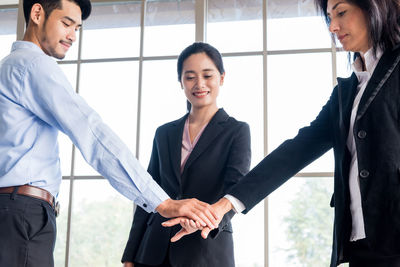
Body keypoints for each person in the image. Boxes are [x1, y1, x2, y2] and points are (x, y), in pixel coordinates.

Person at [164, 0, 400, 266]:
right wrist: (222, 207)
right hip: (361, 243)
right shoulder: (348, 92)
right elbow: (295, 152)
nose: (333, 26)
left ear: (373, 8)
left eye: (342, 12)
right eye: (329, 17)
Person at [0, 0, 218, 266]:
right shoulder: (33, 66)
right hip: (22, 214)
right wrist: (162, 202)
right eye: (66, 23)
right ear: (37, 14)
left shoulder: (9, 67)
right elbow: (91, 134)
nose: (72, 36)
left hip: (13, 213)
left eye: (77, 28)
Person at [121, 42, 251, 267]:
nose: (199, 84)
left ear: (221, 78)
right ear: (181, 82)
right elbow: (147, 193)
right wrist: (130, 255)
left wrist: (206, 221)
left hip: (206, 250)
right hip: (153, 251)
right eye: (190, 77)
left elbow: (235, 191)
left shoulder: (236, 131)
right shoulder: (164, 133)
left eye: (207, 75)